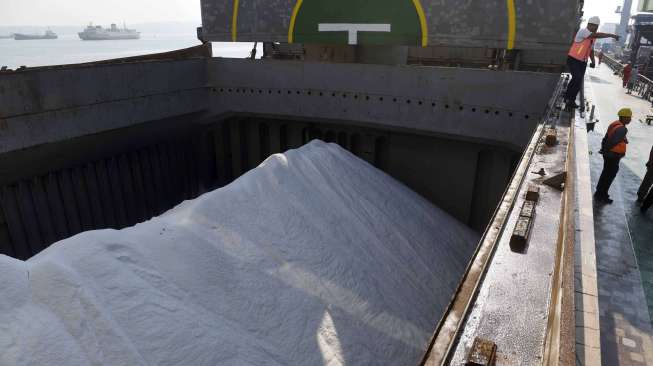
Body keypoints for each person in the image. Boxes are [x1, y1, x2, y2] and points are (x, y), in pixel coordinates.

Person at [565, 17, 620, 108]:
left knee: (578, 81)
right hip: (574, 59)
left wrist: (593, 61)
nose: (595, 28)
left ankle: (571, 99)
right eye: (594, 26)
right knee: (577, 77)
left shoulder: (592, 38)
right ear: (589, 25)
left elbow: (590, 50)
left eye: (596, 26)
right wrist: (611, 35)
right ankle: (568, 97)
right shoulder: (583, 31)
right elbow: (598, 35)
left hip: (582, 62)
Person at [595, 108, 632, 204]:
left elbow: (607, 137)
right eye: (628, 118)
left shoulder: (615, 124)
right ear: (623, 117)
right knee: (609, 175)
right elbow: (613, 141)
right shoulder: (623, 129)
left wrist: (603, 149)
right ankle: (602, 195)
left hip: (608, 155)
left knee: (605, 173)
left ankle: (599, 192)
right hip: (613, 155)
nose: (630, 120)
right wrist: (605, 150)